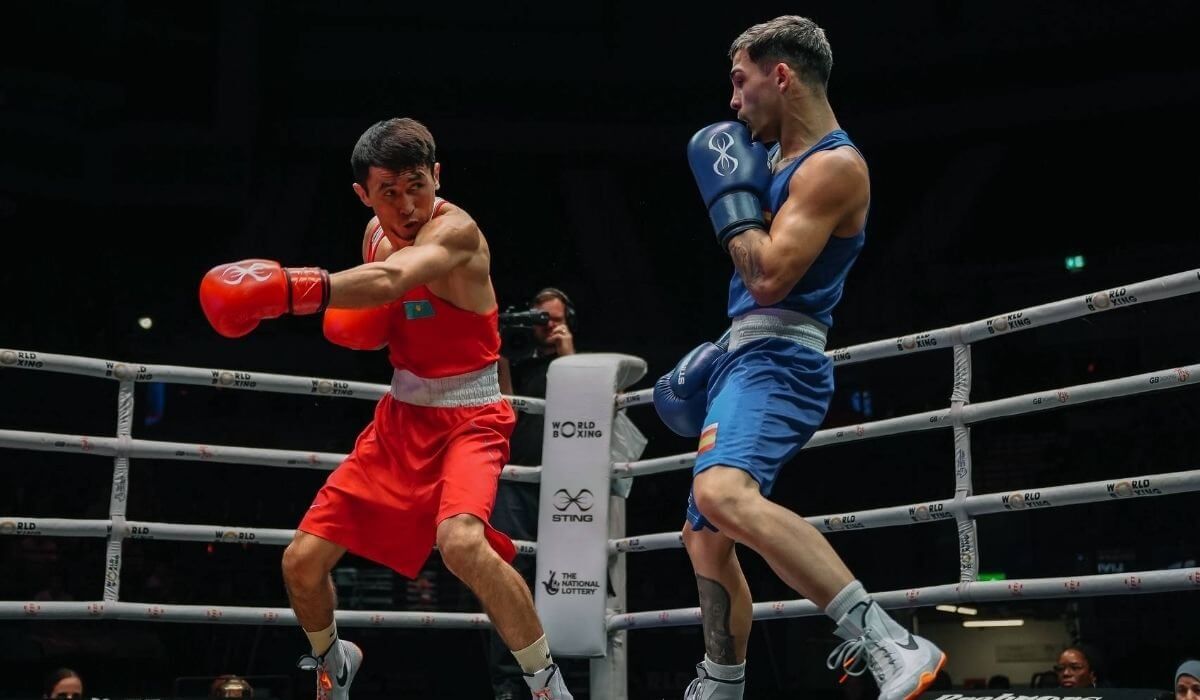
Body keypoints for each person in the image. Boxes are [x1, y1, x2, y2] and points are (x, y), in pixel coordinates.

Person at [198, 117, 572, 700]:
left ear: (437, 176)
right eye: (389, 192)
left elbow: (395, 279)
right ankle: (333, 665)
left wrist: (288, 289)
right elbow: (386, 302)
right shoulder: (374, 235)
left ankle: (547, 685)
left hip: (472, 417)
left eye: (417, 185)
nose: (407, 206)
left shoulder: (457, 233)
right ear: (364, 195)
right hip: (402, 416)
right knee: (301, 562)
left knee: (462, 544)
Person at [651, 15, 944, 700]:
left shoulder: (833, 167)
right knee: (704, 535)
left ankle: (889, 638)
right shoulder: (776, 163)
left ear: (780, 75)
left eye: (740, 81)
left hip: (780, 359)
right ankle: (722, 683)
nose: (733, 102)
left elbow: (768, 278)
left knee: (721, 494)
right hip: (745, 352)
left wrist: (730, 202)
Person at [490, 287, 577, 699]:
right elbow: (505, 413)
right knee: (511, 573)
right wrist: (502, 357)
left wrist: (567, 353)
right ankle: (509, 683)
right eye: (540, 318)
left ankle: (558, 679)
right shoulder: (517, 361)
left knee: (563, 577)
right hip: (515, 478)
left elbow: (581, 410)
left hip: (565, 485)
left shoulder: (574, 366)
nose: (546, 326)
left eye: (554, 319)